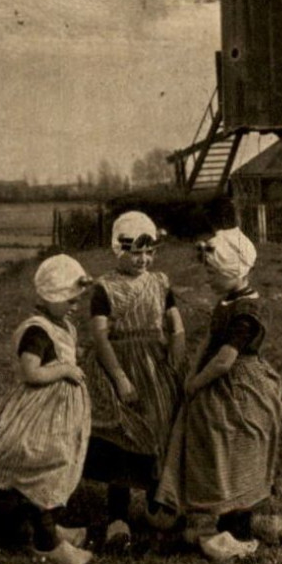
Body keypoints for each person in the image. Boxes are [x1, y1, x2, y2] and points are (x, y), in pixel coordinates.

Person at [0, 254, 93, 564]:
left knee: (58, 467)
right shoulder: (36, 331)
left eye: (76, 300)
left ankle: (51, 527)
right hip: (37, 413)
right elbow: (31, 373)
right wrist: (65, 369)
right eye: (69, 300)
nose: (74, 306)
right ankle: (47, 543)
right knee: (44, 467)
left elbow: (62, 349)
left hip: (58, 413)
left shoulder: (61, 324)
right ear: (49, 297)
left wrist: (76, 355)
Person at [156, 227, 282, 556]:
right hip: (213, 381)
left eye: (213, 274)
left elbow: (226, 359)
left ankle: (234, 528)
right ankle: (212, 522)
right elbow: (211, 345)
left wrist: (197, 382)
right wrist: (194, 372)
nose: (208, 280)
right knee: (214, 448)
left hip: (241, 386)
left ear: (233, 271)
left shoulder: (248, 312)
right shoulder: (227, 302)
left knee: (238, 445)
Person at [83, 211, 185, 541]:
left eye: (148, 252)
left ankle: (160, 502)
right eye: (135, 252)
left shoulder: (160, 282)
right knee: (123, 437)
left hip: (156, 366)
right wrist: (120, 378)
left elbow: (176, 324)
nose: (143, 260)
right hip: (122, 364)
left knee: (160, 430)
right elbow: (100, 337)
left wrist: (176, 353)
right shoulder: (105, 288)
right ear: (120, 250)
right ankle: (118, 517)